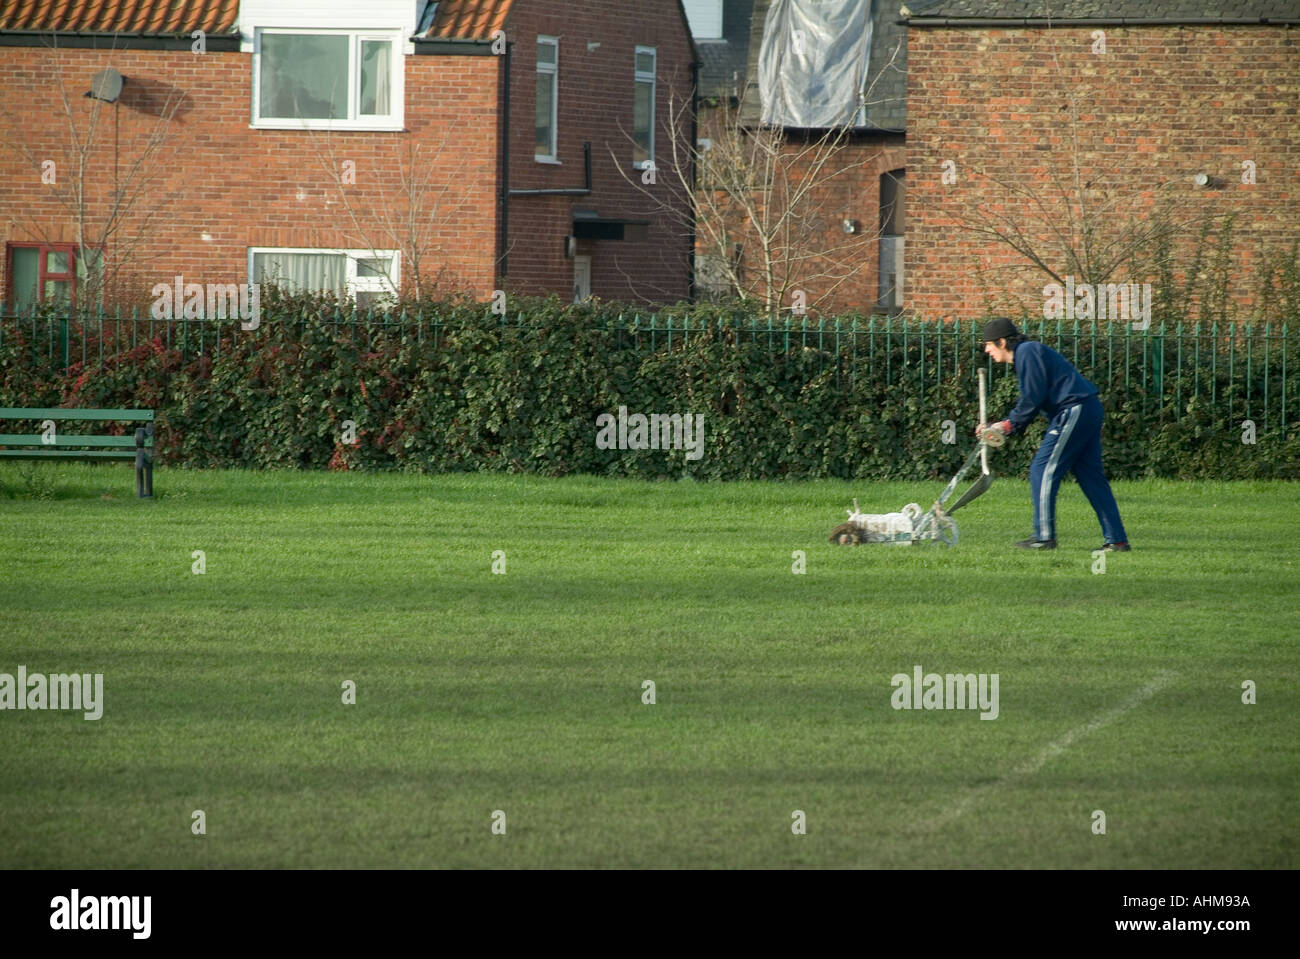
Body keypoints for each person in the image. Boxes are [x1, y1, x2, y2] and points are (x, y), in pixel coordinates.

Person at [977, 317, 1130, 551]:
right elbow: (1033, 398)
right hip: (1086, 408)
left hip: (1074, 410)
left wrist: (1007, 425)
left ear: (1002, 342)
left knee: (1042, 469)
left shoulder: (1027, 352)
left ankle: (1044, 537)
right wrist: (1003, 424)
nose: (987, 350)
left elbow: (1033, 397)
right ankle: (1117, 540)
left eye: (988, 344)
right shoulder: (1028, 353)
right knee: (1091, 478)